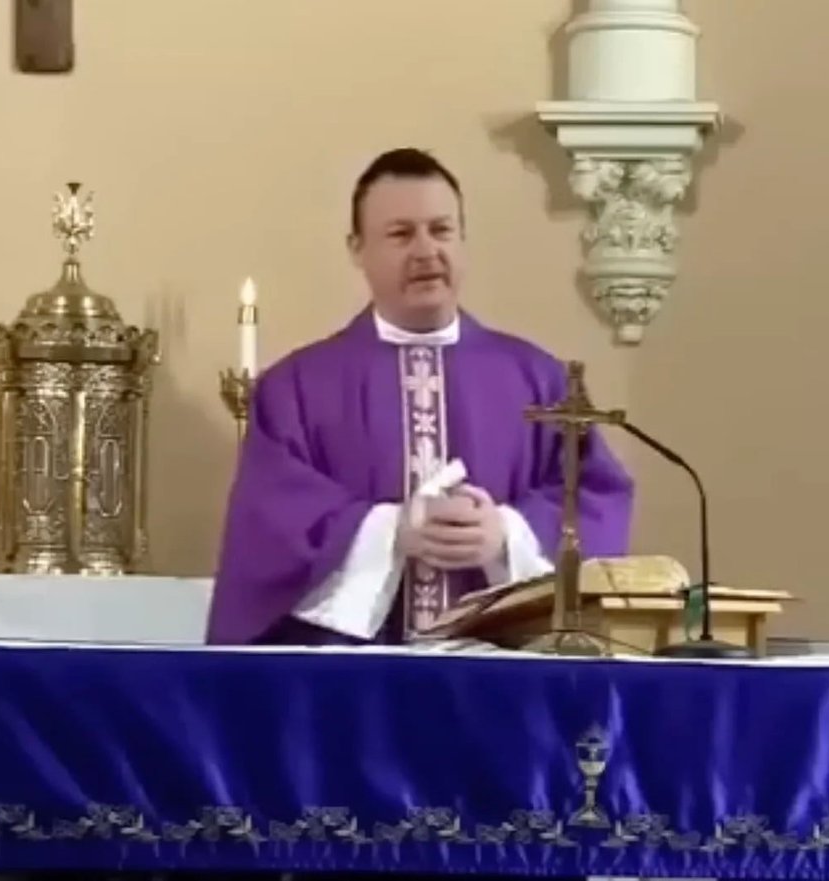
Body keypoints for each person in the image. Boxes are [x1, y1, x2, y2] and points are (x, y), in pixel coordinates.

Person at [204, 147, 636, 647]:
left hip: (499, 679)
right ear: (357, 249)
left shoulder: (539, 379)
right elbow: (270, 528)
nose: (426, 250)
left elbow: (594, 499)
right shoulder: (295, 388)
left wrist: (506, 535)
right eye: (401, 233)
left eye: (442, 229)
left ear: (463, 240)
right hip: (352, 684)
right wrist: (391, 533)